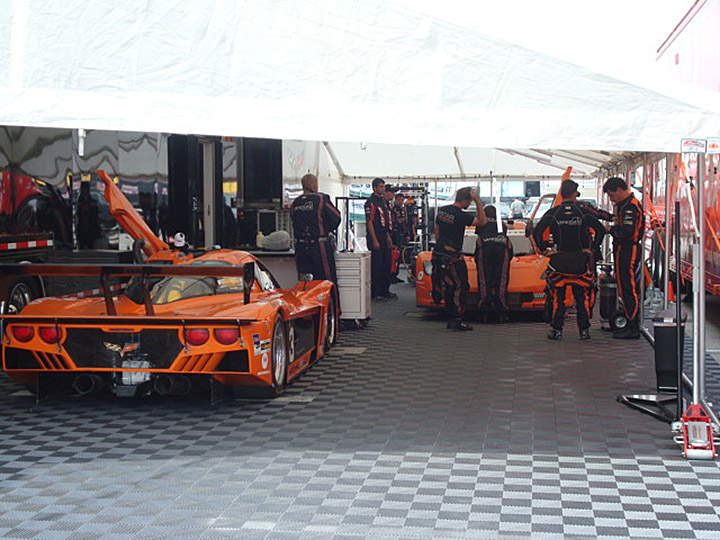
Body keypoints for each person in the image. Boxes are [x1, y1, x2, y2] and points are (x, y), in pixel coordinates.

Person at [533, 180, 605, 340]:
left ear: (561, 193)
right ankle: (584, 331)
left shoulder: (553, 212)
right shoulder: (582, 212)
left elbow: (537, 231)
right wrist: (592, 249)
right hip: (580, 260)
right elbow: (600, 229)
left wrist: (544, 250)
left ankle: (557, 331)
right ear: (574, 193)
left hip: (559, 260)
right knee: (582, 297)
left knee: (558, 297)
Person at [432, 187, 486, 331]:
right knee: (460, 286)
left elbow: (437, 229)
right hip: (452, 256)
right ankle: (456, 318)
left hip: (440, 253)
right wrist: (478, 201)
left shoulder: (443, 210)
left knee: (448, 286)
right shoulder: (460, 215)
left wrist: (440, 246)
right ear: (467, 200)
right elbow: (482, 221)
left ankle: (452, 317)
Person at [603, 176, 645, 339]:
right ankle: (629, 322)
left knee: (628, 287)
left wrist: (610, 230)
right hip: (623, 249)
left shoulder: (630, 207)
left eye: (611, 195)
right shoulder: (624, 205)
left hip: (629, 250)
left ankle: (633, 327)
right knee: (624, 286)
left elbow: (628, 232)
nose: (611, 199)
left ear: (619, 191)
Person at [291, 173, 342, 287]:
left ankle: (307, 304)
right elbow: (336, 217)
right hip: (319, 246)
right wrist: (326, 229)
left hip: (301, 248)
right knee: (327, 282)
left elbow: (293, 221)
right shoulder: (321, 199)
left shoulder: (295, 203)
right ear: (315, 185)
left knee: (304, 283)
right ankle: (331, 304)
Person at [475, 205, 513, 323]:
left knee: (484, 280)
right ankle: (502, 311)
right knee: (501, 280)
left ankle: (485, 311)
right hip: (501, 250)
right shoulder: (502, 225)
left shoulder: (481, 224)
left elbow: (478, 239)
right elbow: (509, 246)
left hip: (485, 250)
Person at [365, 178, 396, 300]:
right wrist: (374, 239)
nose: (383, 189)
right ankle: (376, 292)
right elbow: (369, 222)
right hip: (375, 235)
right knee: (376, 265)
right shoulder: (370, 202)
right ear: (374, 188)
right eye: (381, 187)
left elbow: (386, 222)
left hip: (384, 235)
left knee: (386, 264)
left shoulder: (383, 201)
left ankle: (385, 290)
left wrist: (388, 237)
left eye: (384, 187)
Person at [390, 191, 409, 283]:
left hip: (401, 234)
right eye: (399, 200)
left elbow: (404, 223)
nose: (401, 202)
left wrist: (406, 234)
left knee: (399, 255)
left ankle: (395, 274)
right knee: (394, 255)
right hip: (395, 235)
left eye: (402, 200)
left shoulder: (402, 209)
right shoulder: (393, 209)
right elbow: (395, 222)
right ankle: (392, 275)